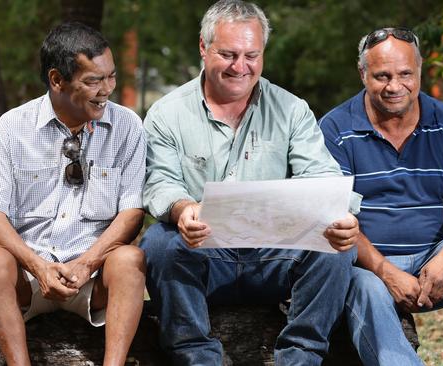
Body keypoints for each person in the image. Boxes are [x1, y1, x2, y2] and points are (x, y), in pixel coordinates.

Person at [139, 1, 362, 364]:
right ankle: (197, 356)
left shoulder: (291, 109)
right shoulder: (168, 113)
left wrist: (342, 217)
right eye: (228, 54)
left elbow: (321, 176)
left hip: (275, 255)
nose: (240, 67)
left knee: (339, 247)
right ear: (203, 47)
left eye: (251, 55)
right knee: (159, 245)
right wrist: (182, 209)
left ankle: (301, 356)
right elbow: (159, 180)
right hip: (204, 254)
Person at [319, 27, 443, 365]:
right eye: (382, 76)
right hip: (369, 265)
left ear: (420, 71)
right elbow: (336, 218)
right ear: (363, 74)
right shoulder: (336, 129)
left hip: (436, 256)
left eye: (405, 74)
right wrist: (384, 270)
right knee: (359, 282)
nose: (395, 86)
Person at [0, 22, 146, 366]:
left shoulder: (128, 126)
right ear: (57, 80)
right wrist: (37, 267)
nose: (106, 89)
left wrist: (86, 264)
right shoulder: (12, 126)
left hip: (94, 279)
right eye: (93, 80)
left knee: (130, 260)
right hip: (29, 275)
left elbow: (132, 213)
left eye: (110, 77)